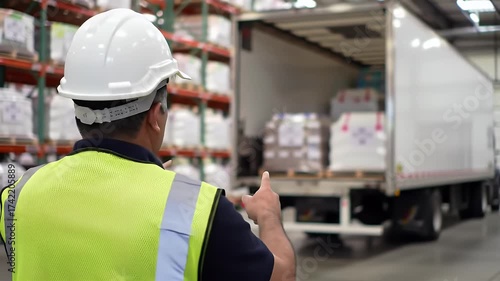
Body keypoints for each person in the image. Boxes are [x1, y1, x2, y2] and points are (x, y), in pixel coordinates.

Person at [0, 8, 295, 281]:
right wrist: (268, 216)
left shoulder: (18, 194)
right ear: (156, 115)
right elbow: (281, 275)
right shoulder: (199, 212)